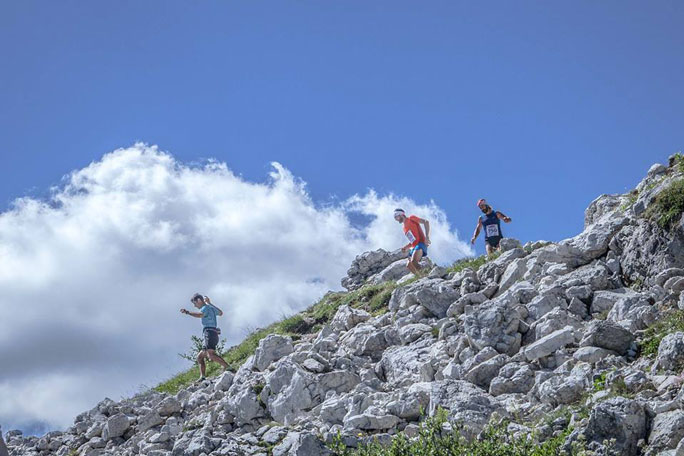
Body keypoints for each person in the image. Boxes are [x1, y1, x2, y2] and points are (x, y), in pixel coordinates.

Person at [180, 293, 229, 380]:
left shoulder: (205, 308)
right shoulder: (210, 307)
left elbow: (200, 315)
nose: (195, 306)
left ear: (199, 300)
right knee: (200, 357)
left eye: (195, 303)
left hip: (209, 333)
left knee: (210, 354)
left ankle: (228, 367)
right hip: (212, 333)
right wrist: (210, 303)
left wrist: (187, 312)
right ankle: (202, 377)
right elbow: (220, 313)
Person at [393, 208, 430, 276]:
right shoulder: (404, 229)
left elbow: (426, 222)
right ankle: (421, 277)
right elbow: (413, 241)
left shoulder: (411, 218)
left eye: (396, 216)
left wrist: (427, 237)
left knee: (413, 261)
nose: (395, 219)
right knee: (409, 265)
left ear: (401, 214)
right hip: (415, 246)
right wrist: (406, 247)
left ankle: (426, 276)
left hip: (421, 243)